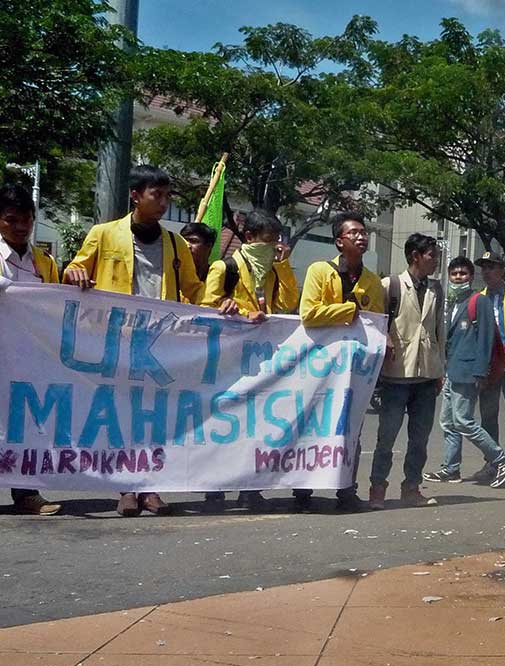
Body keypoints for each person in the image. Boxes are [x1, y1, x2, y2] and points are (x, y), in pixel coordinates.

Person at [65, 164, 205, 517]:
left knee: (153, 416)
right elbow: (73, 269)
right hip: (114, 340)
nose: (163, 202)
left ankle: (150, 486)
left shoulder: (175, 244)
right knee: (120, 414)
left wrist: (226, 306)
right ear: (136, 196)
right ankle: (125, 487)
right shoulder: (105, 234)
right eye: (156, 195)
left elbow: (194, 290)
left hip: (159, 342)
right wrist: (75, 271)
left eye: (167, 195)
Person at [200, 209, 299, 512]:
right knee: (224, 425)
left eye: (276, 243)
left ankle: (250, 488)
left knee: (255, 428)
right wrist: (235, 310)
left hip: (260, 360)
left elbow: (286, 304)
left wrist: (283, 267)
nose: (271, 248)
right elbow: (204, 307)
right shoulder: (224, 267)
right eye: (267, 241)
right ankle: (215, 488)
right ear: (249, 238)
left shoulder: (270, 271)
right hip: (227, 361)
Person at [295, 211, 385, 512]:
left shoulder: (372, 281)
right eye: (354, 233)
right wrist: (347, 311)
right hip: (318, 365)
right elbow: (309, 313)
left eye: (364, 232)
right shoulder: (319, 271)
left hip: (353, 368)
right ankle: (303, 489)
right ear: (338, 241)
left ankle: (346, 489)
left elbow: (376, 323)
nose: (362, 237)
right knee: (312, 424)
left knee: (351, 428)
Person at [369, 234, 446, 511]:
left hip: (426, 374)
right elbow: (376, 322)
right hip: (396, 375)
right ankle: (378, 488)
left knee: (420, 439)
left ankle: (411, 488)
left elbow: (439, 331)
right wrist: (384, 339)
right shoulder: (390, 285)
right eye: (431, 255)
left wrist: (440, 369)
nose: (435, 260)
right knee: (386, 437)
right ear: (415, 256)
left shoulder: (436, 289)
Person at [0, 184, 62, 515]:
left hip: (26, 360)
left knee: (23, 426)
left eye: (27, 219)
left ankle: (26, 493)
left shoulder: (43, 262)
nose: (21, 227)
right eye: (12, 220)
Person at [428, 257, 505, 488]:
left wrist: (480, 372)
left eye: (463, 274)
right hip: (452, 371)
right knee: (447, 422)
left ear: (470, 277)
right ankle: (450, 468)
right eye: (455, 273)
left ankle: (500, 458)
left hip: (468, 372)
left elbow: (486, 339)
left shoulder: (480, 301)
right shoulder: (452, 302)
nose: (459, 277)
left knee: (463, 420)